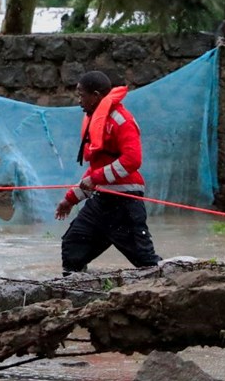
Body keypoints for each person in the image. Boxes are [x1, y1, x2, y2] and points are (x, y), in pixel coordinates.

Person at [55, 70, 161, 271]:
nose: (79, 101)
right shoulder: (98, 122)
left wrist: (96, 177)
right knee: (72, 247)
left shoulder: (122, 121)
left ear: (96, 96)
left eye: (81, 95)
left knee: (147, 262)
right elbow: (95, 173)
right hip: (102, 201)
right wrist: (69, 200)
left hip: (126, 202)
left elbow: (132, 160)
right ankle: (77, 296)